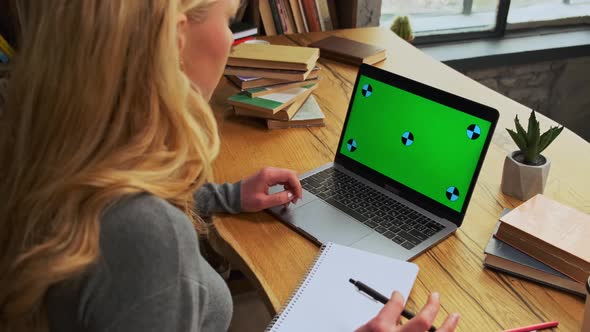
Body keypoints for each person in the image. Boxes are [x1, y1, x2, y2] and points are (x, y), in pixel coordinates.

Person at [0, 0, 460, 331]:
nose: (232, 40)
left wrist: (226, 196)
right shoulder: (143, 237)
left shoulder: (39, 146)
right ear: (175, 37)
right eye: (229, 19)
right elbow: (131, 229)